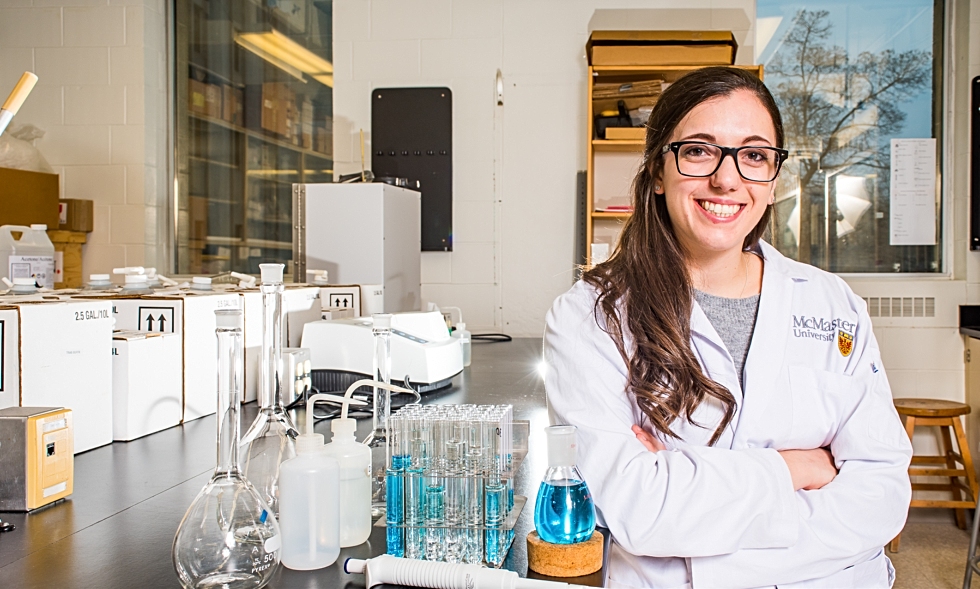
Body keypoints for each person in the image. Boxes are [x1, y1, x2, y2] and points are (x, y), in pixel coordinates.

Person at [543, 67, 913, 589]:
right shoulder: (592, 316)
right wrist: (796, 471)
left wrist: (699, 525)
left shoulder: (835, 304)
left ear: (773, 179)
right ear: (656, 170)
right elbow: (636, 511)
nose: (727, 178)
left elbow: (881, 496)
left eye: (755, 155)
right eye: (698, 150)